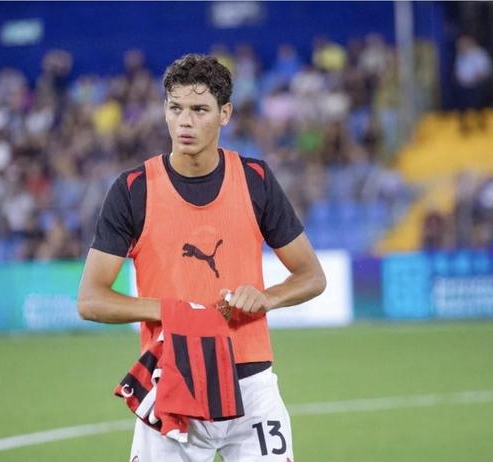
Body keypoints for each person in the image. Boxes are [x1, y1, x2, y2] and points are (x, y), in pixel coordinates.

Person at [78, 54, 326, 461]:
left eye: (199, 109)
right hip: (172, 385)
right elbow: (91, 300)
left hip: (252, 387)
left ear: (225, 113)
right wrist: (174, 312)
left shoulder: (255, 180)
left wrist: (267, 297)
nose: (185, 122)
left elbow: (311, 276)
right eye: (175, 108)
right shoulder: (133, 189)